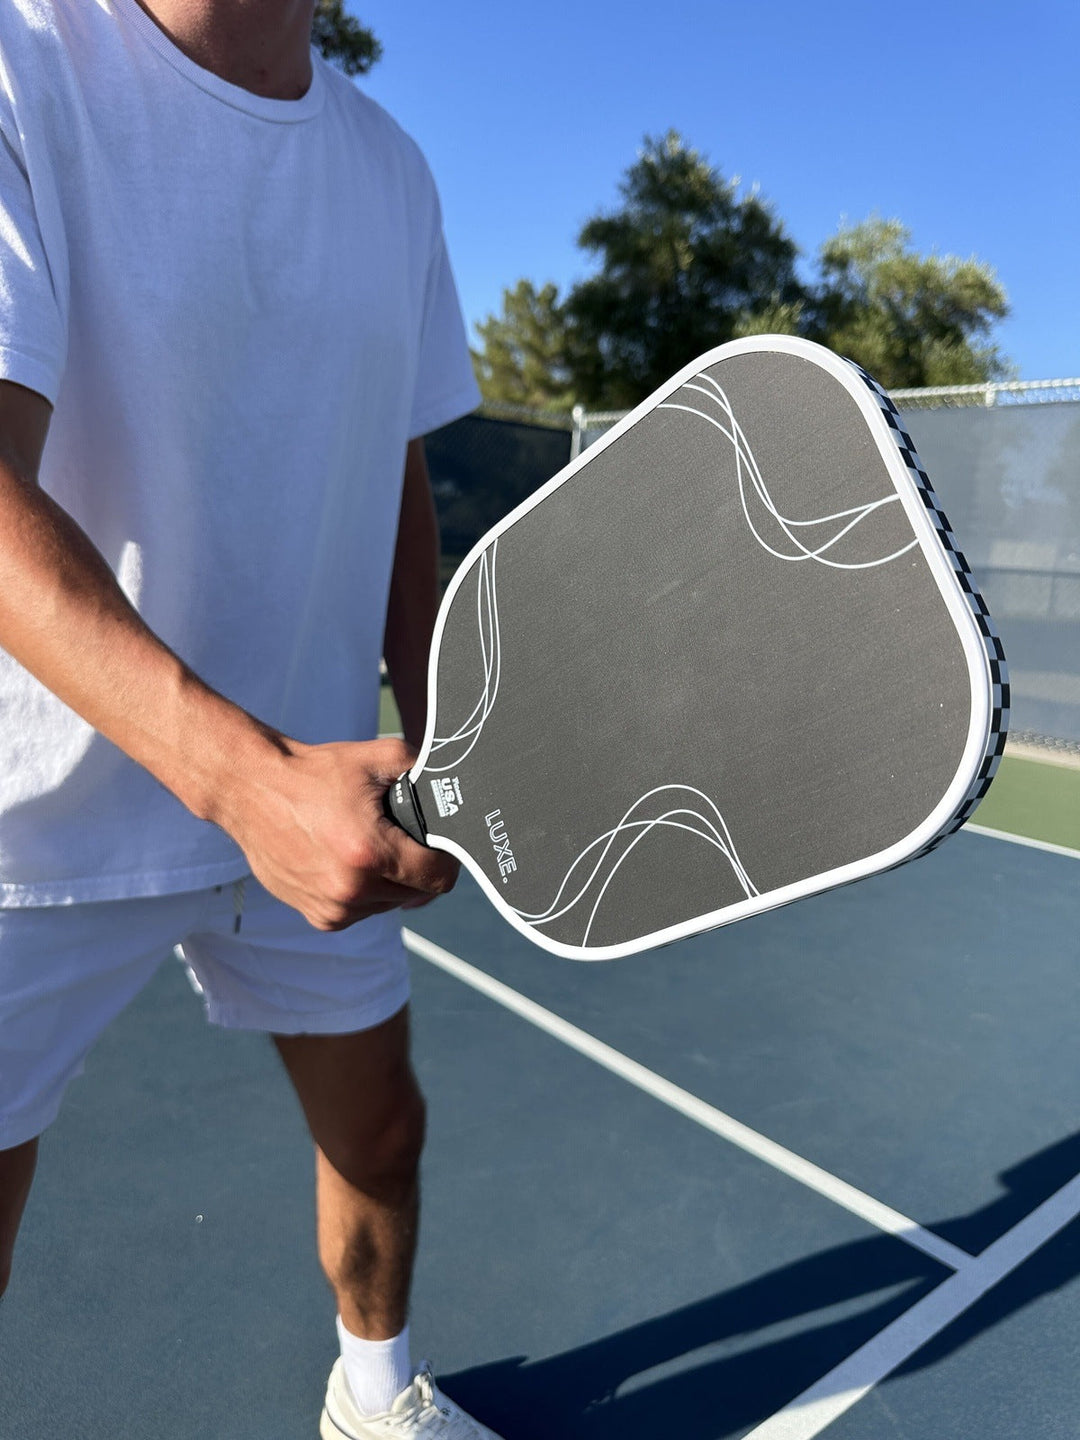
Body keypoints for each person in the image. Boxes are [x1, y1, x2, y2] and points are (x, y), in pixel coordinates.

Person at [0, 2, 505, 1436]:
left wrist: (444, 705)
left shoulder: (392, 169)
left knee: (383, 1132)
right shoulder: (21, 61)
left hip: (321, 767)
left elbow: (395, 458)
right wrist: (238, 776)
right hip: (33, 805)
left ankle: (376, 1399)